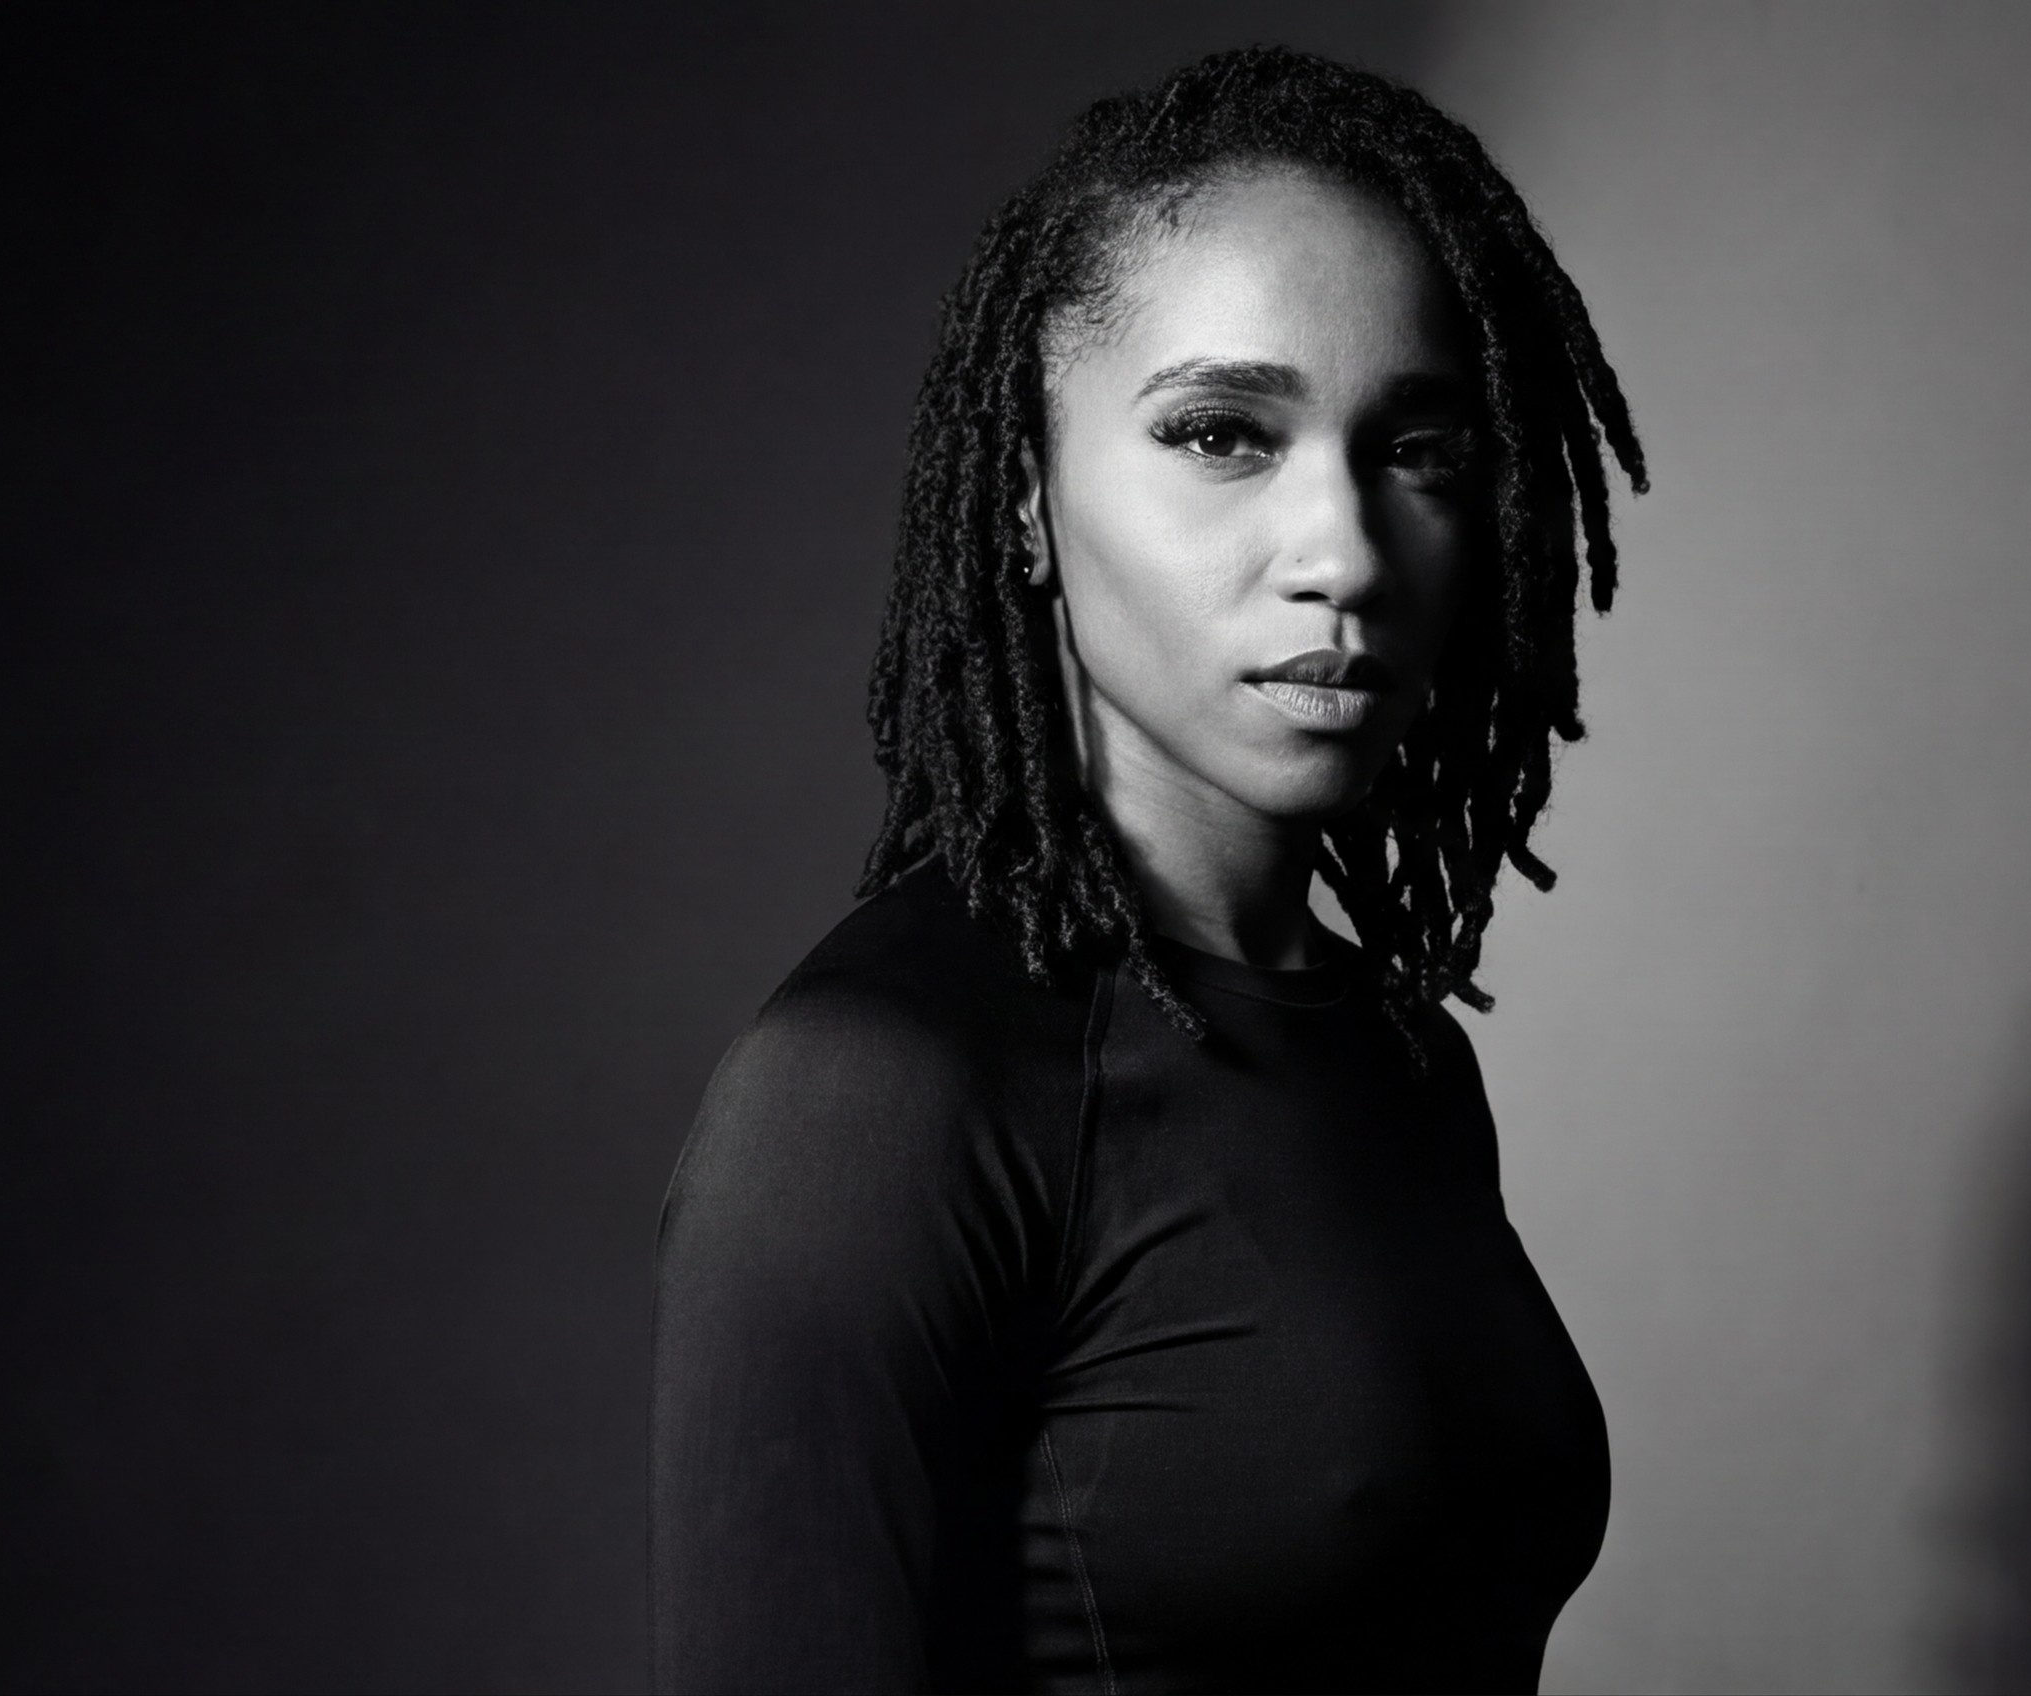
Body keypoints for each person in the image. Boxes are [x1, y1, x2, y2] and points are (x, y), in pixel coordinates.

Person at [650, 44, 1646, 1695]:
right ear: (1027, 496)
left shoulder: (1398, 1054)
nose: (1343, 553)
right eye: (1221, 434)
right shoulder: (874, 1099)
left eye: (1418, 449)